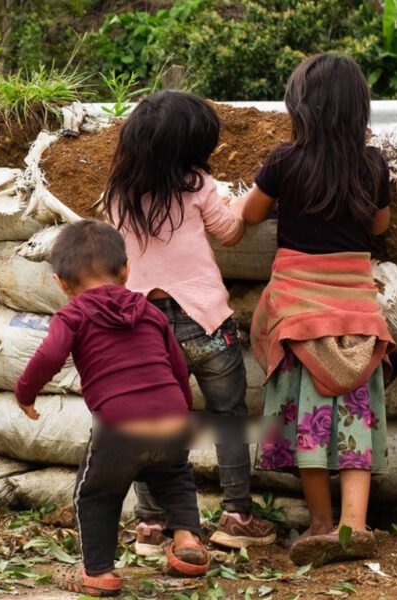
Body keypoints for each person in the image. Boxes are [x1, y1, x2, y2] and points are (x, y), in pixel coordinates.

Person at [233, 53, 396, 567]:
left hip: (299, 316)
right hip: (358, 318)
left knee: (309, 419)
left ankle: (321, 524)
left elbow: (249, 214)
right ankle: (355, 525)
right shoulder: (373, 165)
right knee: (354, 417)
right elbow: (380, 227)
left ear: (301, 107)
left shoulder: (284, 161)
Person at [104, 90, 276, 554]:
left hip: (142, 328)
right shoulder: (197, 184)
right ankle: (237, 515)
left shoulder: (117, 193)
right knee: (228, 416)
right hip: (205, 324)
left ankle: (150, 523)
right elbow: (230, 233)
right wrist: (234, 204)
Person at [14, 219, 210, 597]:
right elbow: (178, 367)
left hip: (120, 425)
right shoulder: (149, 311)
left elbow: (50, 355)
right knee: (174, 477)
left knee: (96, 494)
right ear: (125, 270)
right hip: (172, 417)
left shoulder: (73, 315)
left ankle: (99, 572)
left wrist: (25, 393)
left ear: (61, 284)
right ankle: (187, 541)